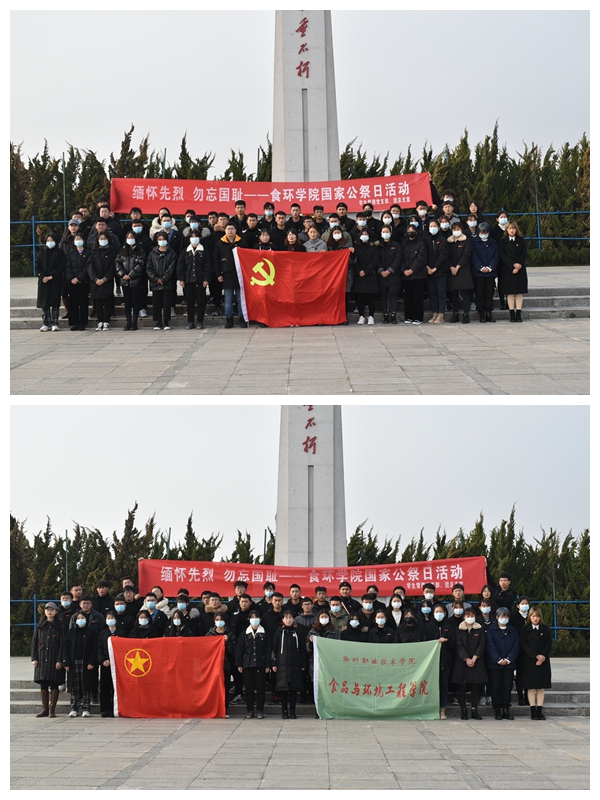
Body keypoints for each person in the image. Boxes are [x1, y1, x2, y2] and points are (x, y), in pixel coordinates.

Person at [451, 607, 487, 720]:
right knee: (462, 687)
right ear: (464, 617)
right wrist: (466, 659)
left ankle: (474, 710)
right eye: (467, 616)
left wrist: (475, 657)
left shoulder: (480, 628)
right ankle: (463, 710)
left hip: (477, 662)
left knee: (475, 687)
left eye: (472, 616)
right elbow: (459, 645)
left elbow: (482, 644)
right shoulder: (458, 629)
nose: (470, 618)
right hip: (462, 662)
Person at [235, 611, 271, 719]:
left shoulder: (265, 633)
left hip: (261, 664)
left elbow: (268, 650)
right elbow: (239, 650)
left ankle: (260, 710)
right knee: (249, 689)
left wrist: (268, 665)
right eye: (252, 618)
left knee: (260, 689)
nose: (254, 620)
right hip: (247, 665)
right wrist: (239, 664)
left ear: (260, 619)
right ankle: (250, 710)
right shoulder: (244, 633)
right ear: (249, 619)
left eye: (256, 617)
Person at [31, 602, 65, 718]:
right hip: (42, 659)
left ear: (56, 612)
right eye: (47, 610)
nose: (49, 612)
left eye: (52, 610)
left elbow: (62, 645)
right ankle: (45, 708)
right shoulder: (40, 626)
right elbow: (34, 643)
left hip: (54, 659)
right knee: (43, 684)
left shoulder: (60, 627)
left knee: (54, 684)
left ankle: (52, 709)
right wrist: (34, 658)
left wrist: (60, 660)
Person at [485, 607, 520, 720]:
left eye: (506, 616)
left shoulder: (512, 631)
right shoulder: (491, 630)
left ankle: (506, 709)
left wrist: (509, 659)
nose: (503, 618)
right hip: (495, 665)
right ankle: (497, 709)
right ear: (497, 617)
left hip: (509, 665)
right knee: (496, 687)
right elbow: (490, 646)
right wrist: (498, 659)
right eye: (501, 616)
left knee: (507, 687)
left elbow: (516, 646)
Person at [272, 610, 307, 719]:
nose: (288, 620)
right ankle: (284, 711)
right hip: (282, 665)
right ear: (283, 620)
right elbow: (274, 650)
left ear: (293, 619)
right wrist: (273, 663)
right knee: (283, 689)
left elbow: (303, 649)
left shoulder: (298, 632)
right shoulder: (279, 632)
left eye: (290, 618)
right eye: (286, 618)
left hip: (295, 665)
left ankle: (292, 711)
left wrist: (303, 663)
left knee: (293, 689)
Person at [64, 611, 99, 717]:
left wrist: (92, 662)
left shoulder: (91, 632)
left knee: (86, 685)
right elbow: (66, 648)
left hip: (86, 662)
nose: (80, 620)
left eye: (82, 618)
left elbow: (94, 648)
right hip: (73, 662)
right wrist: (66, 662)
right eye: (78, 618)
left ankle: (86, 708)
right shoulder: (71, 632)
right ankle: (74, 708)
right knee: (74, 685)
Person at [519, 606, 552, 720]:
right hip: (530, 661)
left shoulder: (545, 629)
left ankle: (540, 710)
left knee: (541, 687)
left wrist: (542, 656)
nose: (535, 618)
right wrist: (535, 656)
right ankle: (533, 710)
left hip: (543, 661)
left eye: (537, 616)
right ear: (530, 617)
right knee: (531, 687)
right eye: (533, 616)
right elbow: (524, 645)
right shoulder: (524, 629)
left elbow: (548, 644)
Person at [424, 604, 456, 719]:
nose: (439, 614)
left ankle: (442, 710)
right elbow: (424, 643)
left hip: (445, 663)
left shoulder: (449, 627)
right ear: (433, 613)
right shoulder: (428, 627)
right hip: (431, 663)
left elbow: (454, 644)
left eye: (441, 612)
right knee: (431, 686)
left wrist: (446, 641)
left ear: (445, 613)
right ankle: (432, 709)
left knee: (444, 686)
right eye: (436, 611)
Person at [213, 223, 246, 328]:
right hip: (226, 274)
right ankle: (229, 319)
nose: (230, 231)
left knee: (240, 298)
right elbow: (216, 260)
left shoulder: (242, 242)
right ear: (225, 230)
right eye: (228, 229)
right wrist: (218, 274)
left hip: (240, 275)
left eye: (232, 229)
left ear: (236, 230)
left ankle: (242, 318)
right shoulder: (220, 243)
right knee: (228, 299)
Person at [177, 228, 211, 329]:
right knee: (190, 302)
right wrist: (181, 279)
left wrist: (206, 279)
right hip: (188, 280)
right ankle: (190, 322)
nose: (194, 239)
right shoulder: (185, 252)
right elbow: (180, 267)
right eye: (192, 237)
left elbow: (207, 267)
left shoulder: (204, 252)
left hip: (200, 281)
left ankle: (200, 321)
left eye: (196, 237)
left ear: (200, 238)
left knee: (201, 302)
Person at [206, 612, 237, 715]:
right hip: (212, 666)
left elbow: (234, 651)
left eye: (221, 620)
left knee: (225, 688)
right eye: (217, 620)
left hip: (225, 666)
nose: (219, 622)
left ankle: (224, 709)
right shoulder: (209, 634)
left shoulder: (230, 634)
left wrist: (227, 642)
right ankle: (213, 709)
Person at [146, 231, 177, 330]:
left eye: (163, 239)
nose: (161, 241)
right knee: (156, 303)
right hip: (155, 282)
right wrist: (156, 278)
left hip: (167, 282)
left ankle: (166, 322)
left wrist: (164, 279)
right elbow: (149, 268)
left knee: (167, 303)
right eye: (159, 239)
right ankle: (157, 322)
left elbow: (171, 268)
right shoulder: (152, 253)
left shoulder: (172, 253)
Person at [97, 611, 125, 717]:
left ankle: (116, 708)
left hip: (117, 665)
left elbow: (123, 648)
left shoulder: (121, 632)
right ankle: (106, 709)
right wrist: (103, 660)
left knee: (116, 687)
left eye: (112, 618)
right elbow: (99, 648)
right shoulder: (102, 633)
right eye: (108, 618)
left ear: (116, 620)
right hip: (106, 664)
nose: (110, 620)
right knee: (105, 687)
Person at [115, 232, 145, 330]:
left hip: (135, 280)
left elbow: (140, 264)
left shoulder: (140, 251)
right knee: (127, 301)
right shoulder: (122, 251)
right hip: (124, 280)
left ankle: (134, 322)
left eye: (132, 237)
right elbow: (117, 263)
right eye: (128, 237)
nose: (130, 239)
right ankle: (128, 322)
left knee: (135, 301)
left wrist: (131, 275)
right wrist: (123, 274)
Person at [499, 221, 528, 321]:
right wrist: (512, 265)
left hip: (520, 268)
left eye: (513, 228)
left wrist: (518, 265)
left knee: (519, 292)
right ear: (507, 229)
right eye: (510, 228)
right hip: (508, 269)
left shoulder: (521, 240)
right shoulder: (502, 241)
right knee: (510, 292)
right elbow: (503, 255)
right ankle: (512, 314)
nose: (512, 230)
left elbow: (523, 253)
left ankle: (518, 313)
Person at [471, 222, 500, 323]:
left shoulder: (493, 242)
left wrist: (490, 267)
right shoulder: (474, 242)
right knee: (479, 293)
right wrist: (481, 267)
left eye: (486, 232)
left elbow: (496, 255)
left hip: (490, 273)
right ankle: (481, 313)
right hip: (478, 273)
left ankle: (489, 312)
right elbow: (474, 256)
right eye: (482, 232)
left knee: (489, 292)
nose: (484, 234)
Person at [37, 233, 66, 331]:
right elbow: (37, 267)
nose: (50, 242)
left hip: (55, 280)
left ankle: (55, 323)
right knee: (44, 303)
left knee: (54, 303)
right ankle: (46, 323)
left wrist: (51, 276)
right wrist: (42, 276)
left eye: (52, 240)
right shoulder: (41, 253)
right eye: (48, 240)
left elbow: (61, 267)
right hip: (44, 281)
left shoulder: (60, 253)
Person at [88, 231, 116, 331]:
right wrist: (95, 279)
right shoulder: (93, 252)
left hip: (107, 280)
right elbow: (90, 266)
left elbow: (113, 267)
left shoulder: (112, 252)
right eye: (100, 239)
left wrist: (105, 279)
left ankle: (106, 321)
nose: (102, 241)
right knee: (98, 302)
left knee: (108, 301)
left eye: (104, 239)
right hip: (96, 281)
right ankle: (100, 321)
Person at [447, 221, 473, 323]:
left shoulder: (466, 240)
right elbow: (446, 255)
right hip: (452, 270)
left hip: (463, 270)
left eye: (458, 229)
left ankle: (466, 314)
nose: (456, 231)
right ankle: (455, 314)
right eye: (454, 229)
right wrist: (451, 267)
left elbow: (466, 254)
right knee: (454, 294)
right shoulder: (449, 241)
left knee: (465, 293)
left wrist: (458, 267)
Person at [425, 218, 451, 323]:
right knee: (432, 293)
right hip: (429, 271)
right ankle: (435, 312)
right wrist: (428, 267)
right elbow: (424, 255)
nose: (433, 228)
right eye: (431, 226)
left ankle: (441, 314)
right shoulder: (426, 240)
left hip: (440, 271)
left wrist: (435, 268)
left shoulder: (443, 240)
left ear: (439, 227)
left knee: (441, 293)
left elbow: (443, 256)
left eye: (435, 226)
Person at [64, 232, 91, 330]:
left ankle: (82, 323)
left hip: (84, 282)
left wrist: (79, 278)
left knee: (83, 303)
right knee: (73, 303)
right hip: (72, 282)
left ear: (84, 241)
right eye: (76, 239)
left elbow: (87, 267)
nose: (78, 241)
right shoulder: (71, 253)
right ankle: (74, 322)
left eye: (80, 239)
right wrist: (71, 278)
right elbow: (67, 267)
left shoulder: (88, 253)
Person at [401, 225, 428, 324]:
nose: (410, 232)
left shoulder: (421, 243)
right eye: (409, 231)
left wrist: (412, 269)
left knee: (418, 297)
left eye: (412, 231)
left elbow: (421, 258)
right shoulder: (403, 244)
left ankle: (418, 317)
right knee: (408, 297)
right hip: (406, 275)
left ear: (416, 232)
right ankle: (408, 317)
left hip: (418, 274)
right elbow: (400, 258)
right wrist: (404, 270)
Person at [352, 227, 379, 325]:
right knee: (359, 297)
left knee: (370, 297)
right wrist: (359, 270)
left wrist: (366, 271)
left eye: (366, 234)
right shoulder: (356, 247)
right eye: (362, 234)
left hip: (370, 275)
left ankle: (371, 316)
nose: (364, 236)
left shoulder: (373, 248)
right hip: (359, 275)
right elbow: (354, 261)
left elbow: (375, 261)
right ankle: (361, 316)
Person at [377, 226, 402, 323]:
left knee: (393, 295)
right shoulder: (379, 246)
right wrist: (381, 270)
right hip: (382, 275)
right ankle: (386, 315)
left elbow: (398, 259)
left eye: (387, 232)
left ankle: (393, 315)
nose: (385, 234)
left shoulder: (396, 245)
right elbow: (376, 259)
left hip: (393, 275)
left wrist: (390, 270)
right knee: (383, 295)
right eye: (383, 232)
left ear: (391, 233)